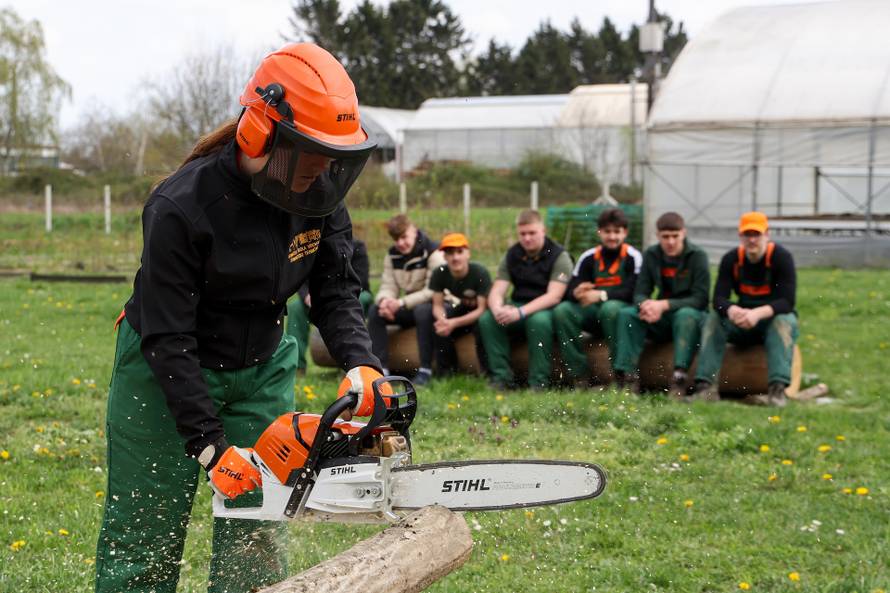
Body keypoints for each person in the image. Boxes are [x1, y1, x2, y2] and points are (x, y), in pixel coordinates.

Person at [94, 43, 388, 593]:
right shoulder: (181, 207)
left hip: (262, 365)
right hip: (165, 370)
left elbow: (336, 291)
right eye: (313, 152)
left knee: (256, 532)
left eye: (334, 156)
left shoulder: (319, 195)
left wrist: (362, 364)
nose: (325, 169)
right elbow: (168, 335)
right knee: (145, 536)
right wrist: (210, 445)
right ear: (261, 132)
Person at [691, 212, 798, 406]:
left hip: (769, 321)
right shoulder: (731, 259)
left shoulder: (781, 258)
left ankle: (777, 391)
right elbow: (718, 299)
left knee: (785, 320)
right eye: (747, 234)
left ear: (767, 234)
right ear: (740, 236)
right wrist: (732, 310)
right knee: (713, 318)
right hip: (740, 320)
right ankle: (706, 387)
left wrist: (757, 314)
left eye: (756, 234)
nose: (752, 240)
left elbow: (787, 301)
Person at [614, 212, 710, 398]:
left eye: (675, 236)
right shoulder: (651, 254)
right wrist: (646, 306)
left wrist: (664, 305)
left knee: (685, 315)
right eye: (665, 237)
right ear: (658, 236)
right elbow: (640, 291)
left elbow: (701, 298)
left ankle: (679, 377)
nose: (671, 242)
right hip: (661, 314)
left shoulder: (697, 256)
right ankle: (627, 376)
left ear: (684, 233)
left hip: (691, 316)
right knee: (627, 314)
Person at [478, 209, 573, 390]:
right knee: (488, 319)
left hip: (546, 308)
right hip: (519, 304)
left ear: (543, 231)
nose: (527, 238)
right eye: (523, 234)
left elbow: (555, 296)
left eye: (532, 233)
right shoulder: (513, 254)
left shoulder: (560, 256)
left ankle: (539, 382)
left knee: (539, 322)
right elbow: (498, 288)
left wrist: (520, 313)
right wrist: (498, 308)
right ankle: (501, 378)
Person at [553, 208, 642, 387]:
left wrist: (602, 295)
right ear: (599, 232)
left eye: (617, 232)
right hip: (593, 314)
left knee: (610, 308)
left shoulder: (634, 256)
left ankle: (621, 376)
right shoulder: (589, 257)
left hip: (620, 312)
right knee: (563, 311)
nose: (612, 237)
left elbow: (635, 291)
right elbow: (571, 288)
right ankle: (579, 376)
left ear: (625, 232)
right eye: (607, 232)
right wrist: (576, 293)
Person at [367, 214, 444, 385]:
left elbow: (433, 290)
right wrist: (385, 301)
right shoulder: (392, 256)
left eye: (404, 237)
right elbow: (388, 285)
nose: (400, 243)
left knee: (422, 310)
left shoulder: (433, 251)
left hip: (436, 305)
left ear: (414, 231)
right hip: (409, 305)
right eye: (396, 239)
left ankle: (425, 369)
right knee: (375, 311)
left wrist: (400, 303)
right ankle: (381, 370)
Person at [286, 237, 373, 376]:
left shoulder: (357, 246)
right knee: (295, 308)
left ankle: (354, 365)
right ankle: (297, 367)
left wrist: (336, 296)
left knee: (359, 301)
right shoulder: (311, 248)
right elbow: (300, 278)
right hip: (317, 297)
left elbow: (360, 279)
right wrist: (307, 296)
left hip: (354, 294)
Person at [429, 233, 492, 377]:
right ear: (444, 256)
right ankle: (447, 374)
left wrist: (453, 323)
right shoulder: (439, 273)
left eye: (459, 252)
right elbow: (437, 305)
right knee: (439, 326)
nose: (455, 257)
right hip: (462, 309)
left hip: (483, 312)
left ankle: (487, 373)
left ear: (468, 254)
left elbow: (482, 309)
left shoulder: (480, 272)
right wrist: (443, 320)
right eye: (450, 253)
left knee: (482, 326)